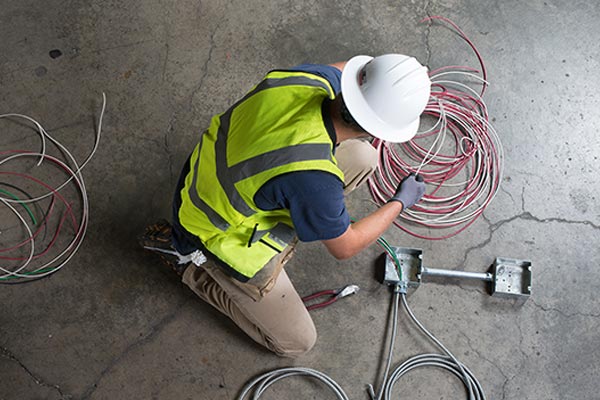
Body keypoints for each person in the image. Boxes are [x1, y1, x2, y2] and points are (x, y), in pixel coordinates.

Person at [140, 54, 431, 357]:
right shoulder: (315, 178)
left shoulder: (312, 78)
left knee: (363, 158)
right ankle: (185, 262)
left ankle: (312, 213)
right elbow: (346, 247)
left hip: (208, 169)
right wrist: (400, 202)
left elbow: (349, 70)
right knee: (296, 341)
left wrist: (399, 76)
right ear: (381, 130)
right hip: (208, 227)